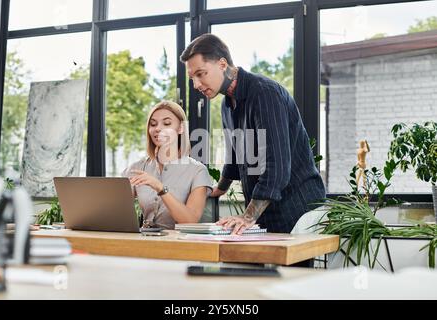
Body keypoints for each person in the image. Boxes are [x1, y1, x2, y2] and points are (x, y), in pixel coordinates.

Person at [180, 33, 326, 235]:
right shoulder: (227, 104)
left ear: (222, 64)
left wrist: (247, 216)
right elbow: (234, 154)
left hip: (297, 209)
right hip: (266, 211)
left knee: (287, 268)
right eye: (192, 78)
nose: (196, 85)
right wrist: (218, 189)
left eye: (201, 74)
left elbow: (277, 168)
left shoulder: (265, 94)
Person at [122, 101, 213, 230]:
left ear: (181, 128)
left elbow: (189, 220)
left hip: (179, 244)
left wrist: (160, 188)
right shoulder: (136, 168)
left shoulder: (197, 171)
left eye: (167, 123)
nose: (157, 128)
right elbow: (114, 209)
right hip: (144, 241)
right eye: (153, 124)